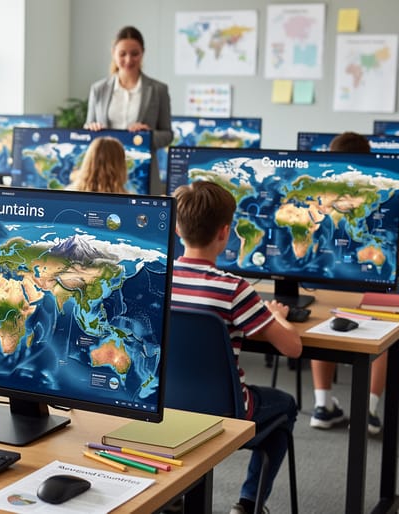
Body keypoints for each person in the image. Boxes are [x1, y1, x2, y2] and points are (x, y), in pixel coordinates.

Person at [170, 180, 301, 514]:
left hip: (163, 404)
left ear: (177, 229)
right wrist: (278, 316)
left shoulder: (158, 278)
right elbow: (292, 348)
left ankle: (172, 498)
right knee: (285, 405)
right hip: (225, 411)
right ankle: (247, 504)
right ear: (225, 233)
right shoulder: (234, 289)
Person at [307, 131, 399, 435]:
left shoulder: (317, 199)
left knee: (322, 320)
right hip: (370, 289)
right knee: (384, 329)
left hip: (327, 286)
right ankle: (369, 411)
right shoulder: (382, 195)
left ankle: (322, 405)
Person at [84, 25, 173, 194]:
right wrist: (91, 129)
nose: (128, 59)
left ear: (143, 53)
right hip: (104, 172)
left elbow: (168, 134)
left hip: (142, 171)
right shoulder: (98, 89)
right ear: (113, 53)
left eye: (135, 53)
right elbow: (88, 128)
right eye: (122, 54)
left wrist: (147, 135)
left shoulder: (158, 90)